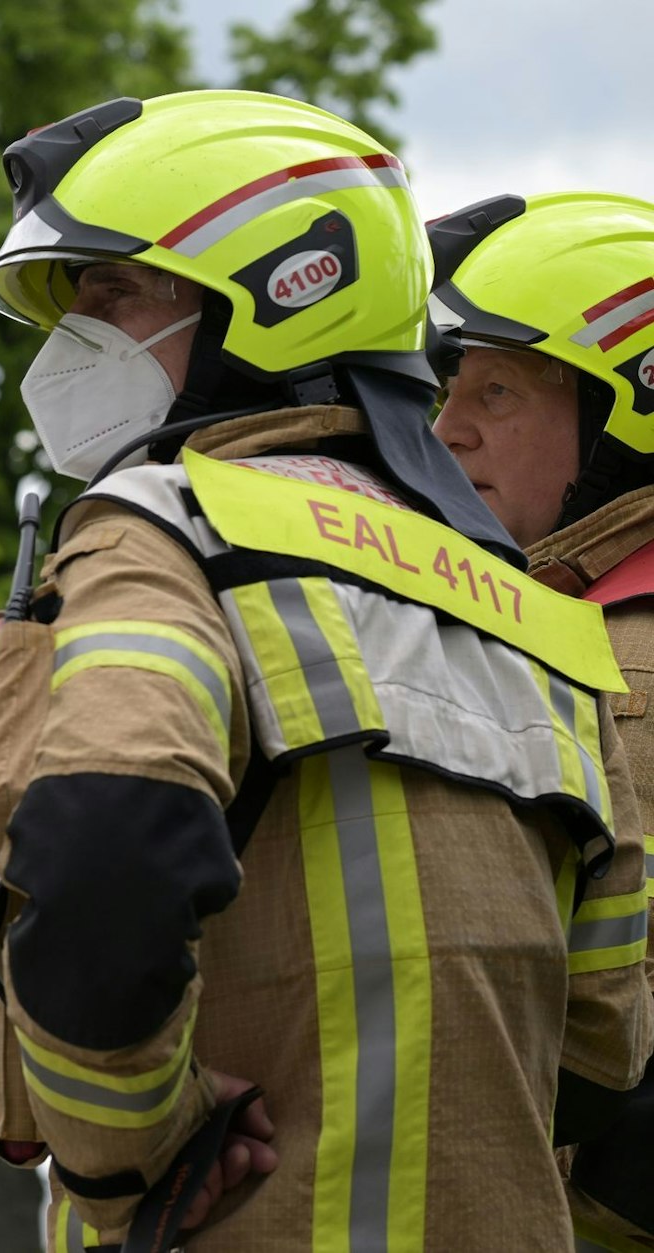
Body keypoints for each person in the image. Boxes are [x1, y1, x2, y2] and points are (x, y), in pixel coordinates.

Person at [0, 91, 652, 1250]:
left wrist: (135, 1157)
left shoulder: (162, 533)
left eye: (113, 290)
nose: (78, 335)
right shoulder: (532, 609)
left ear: (278, 289)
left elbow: (102, 849)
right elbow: (605, 1032)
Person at [430, 190, 654, 1252]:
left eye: (497, 390)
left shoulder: (619, 653)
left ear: (628, 408)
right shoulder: (567, 614)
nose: (446, 428)